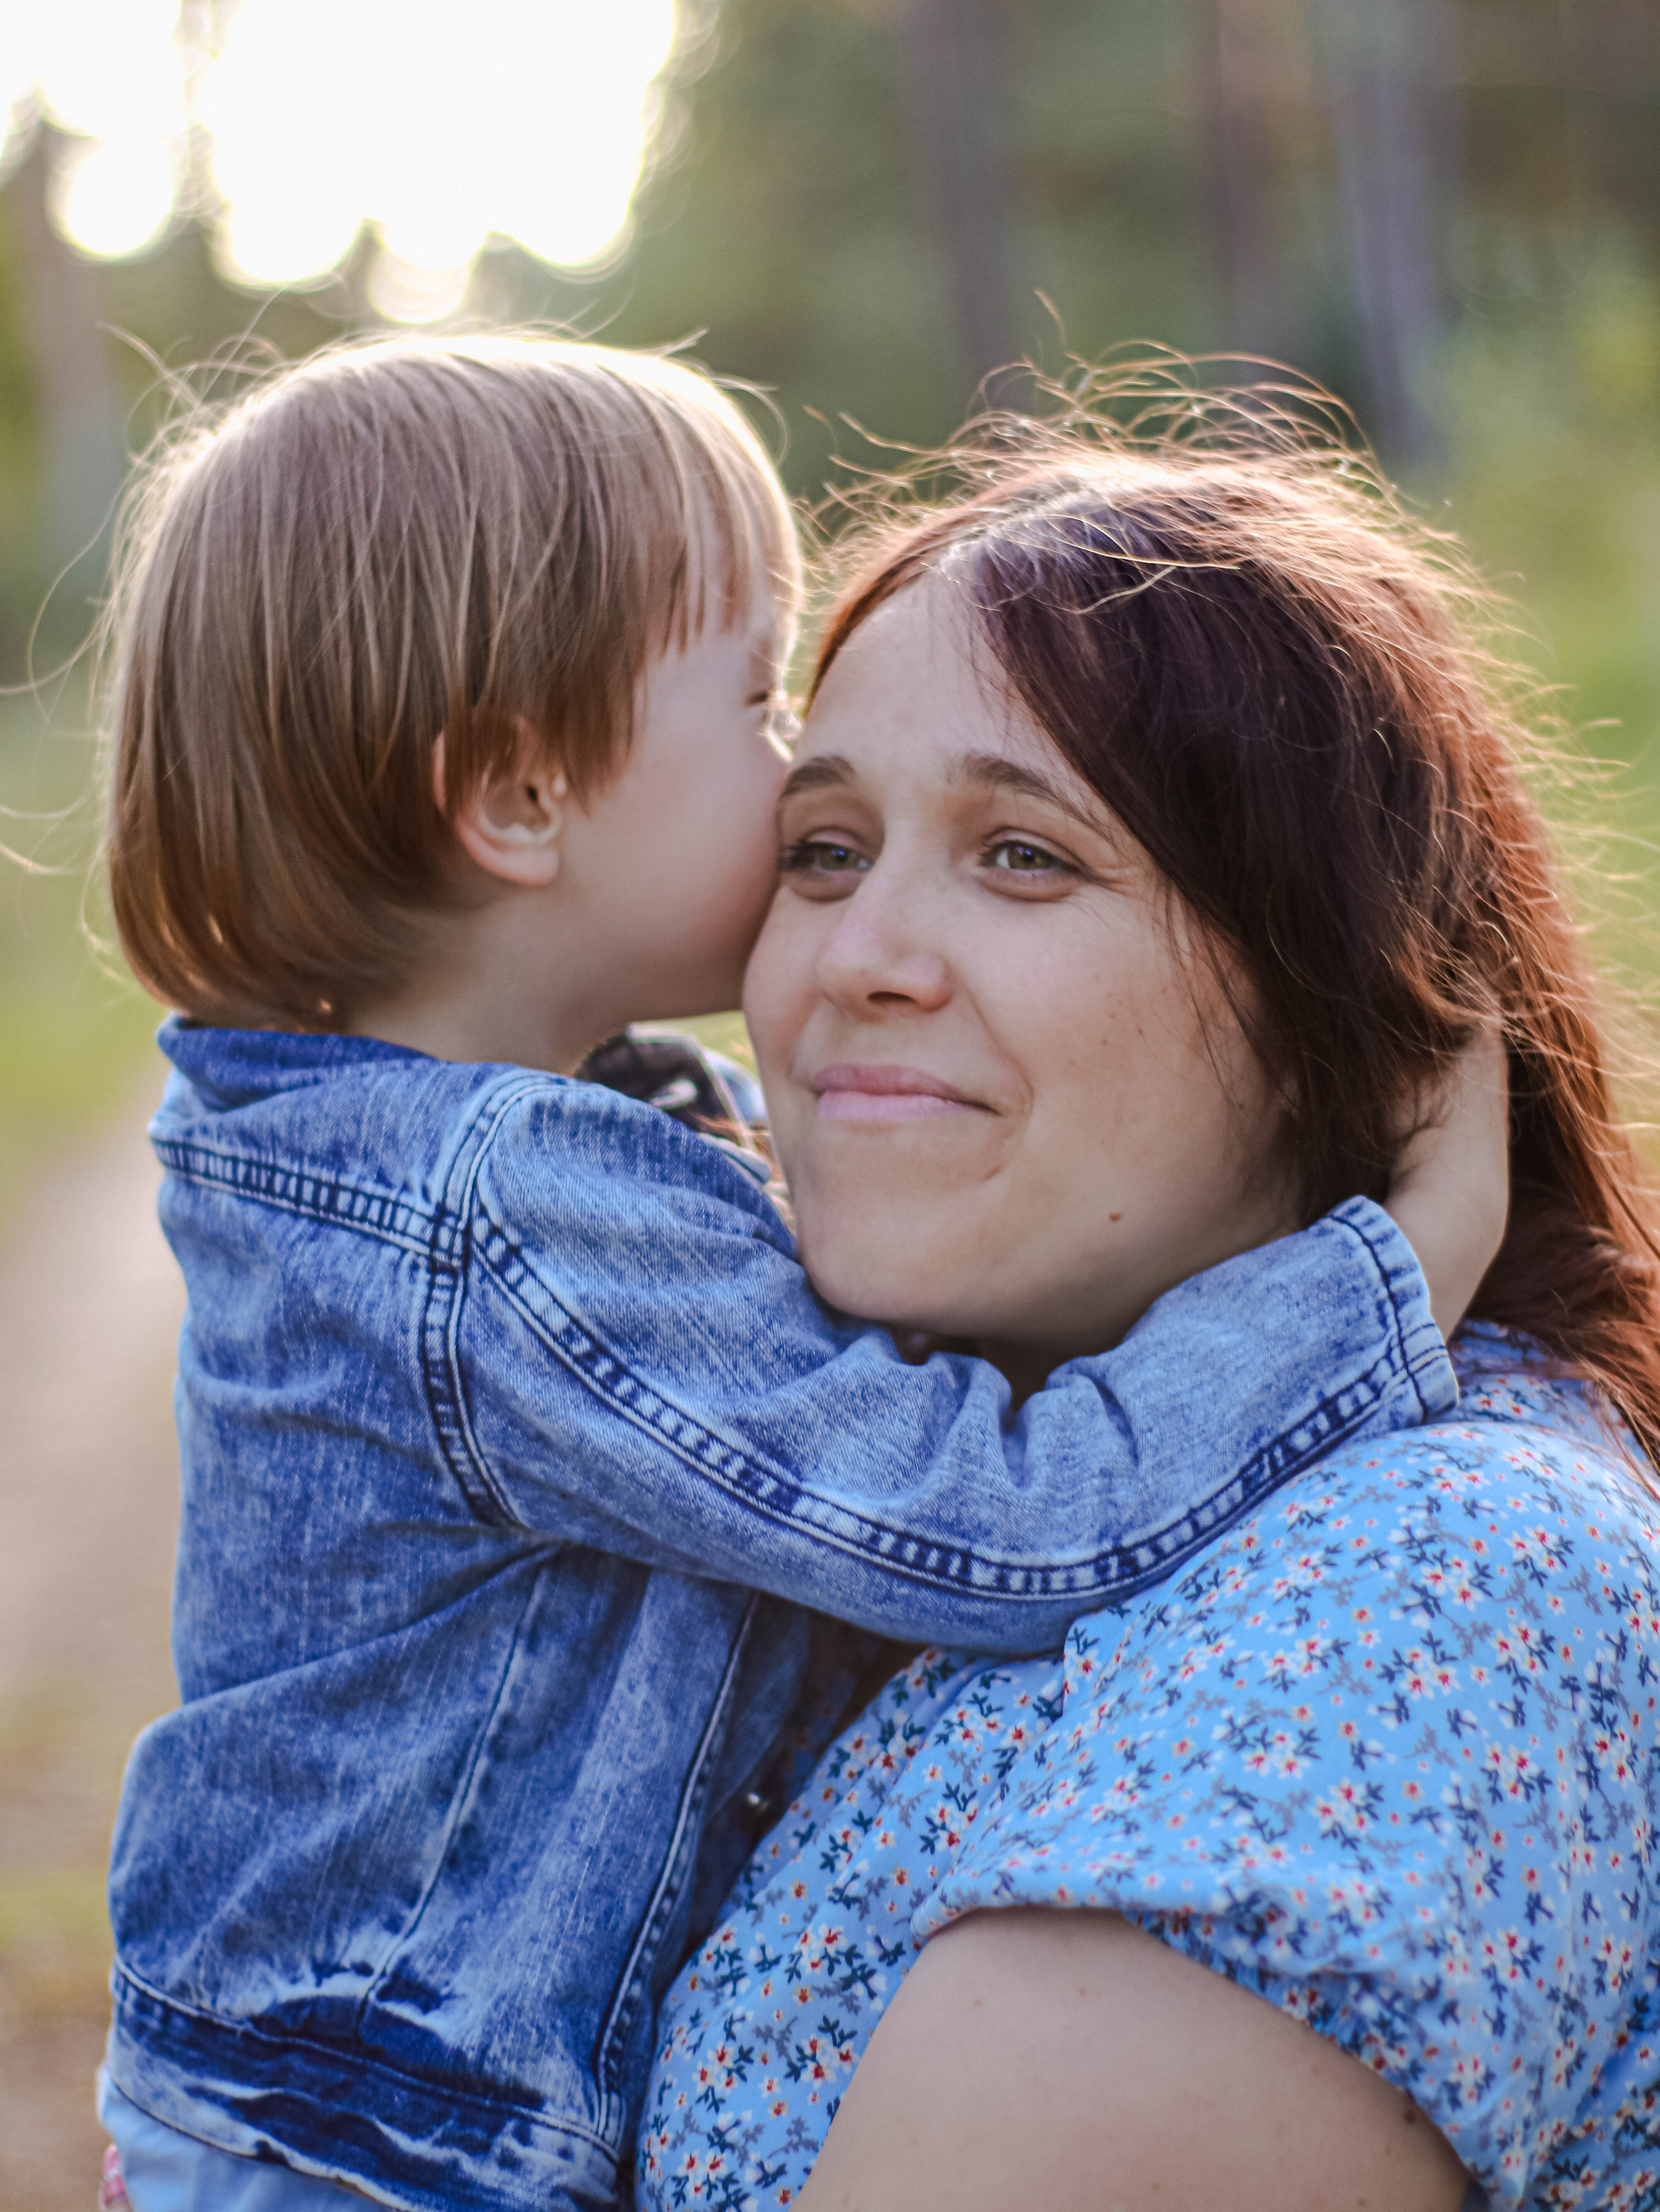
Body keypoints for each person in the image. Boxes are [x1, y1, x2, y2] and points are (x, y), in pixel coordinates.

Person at [91, 338, 1484, 2212]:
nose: (784, 772)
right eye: (754, 708)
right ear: (518, 798)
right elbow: (1004, 1519)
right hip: (383, 2155)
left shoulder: (411, 1151)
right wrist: (1392, 1270)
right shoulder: (504, 1219)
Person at [639, 418, 1660, 2212]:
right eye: (823, 847)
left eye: (1024, 856)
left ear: (1345, 999)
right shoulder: (884, 1519)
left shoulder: (1421, 1590)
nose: (861, 953)